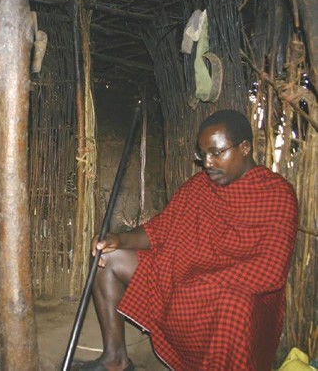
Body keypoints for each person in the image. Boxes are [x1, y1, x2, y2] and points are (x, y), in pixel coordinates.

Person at [77, 110, 298, 371]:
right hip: (183, 277)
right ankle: (115, 359)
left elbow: (270, 270)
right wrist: (117, 239)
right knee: (106, 257)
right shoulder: (198, 187)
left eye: (216, 152)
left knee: (234, 306)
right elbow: (159, 230)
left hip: (238, 293)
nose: (207, 163)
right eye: (203, 154)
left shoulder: (276, 193)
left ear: (245, 148)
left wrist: (203, 284)